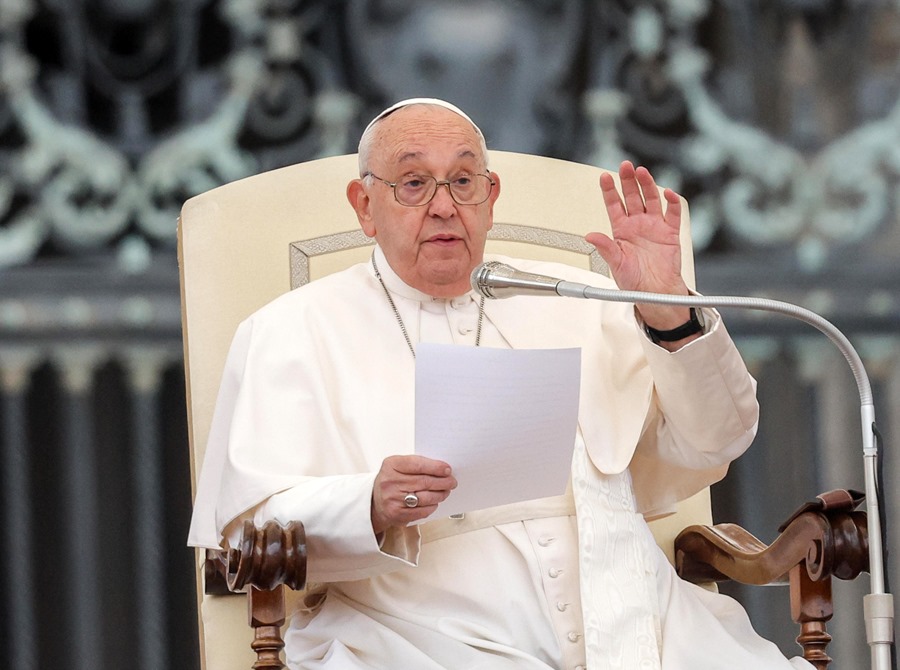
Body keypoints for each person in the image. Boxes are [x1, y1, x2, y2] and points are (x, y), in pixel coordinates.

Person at [188, 98, 812, 670]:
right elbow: (248, 531)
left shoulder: (581, 297)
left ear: (490, 197)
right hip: (418, 639)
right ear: (363, 206)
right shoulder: (290, 330)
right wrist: (367, 503)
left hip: (640, 624)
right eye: (413, 182)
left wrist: (669, 310)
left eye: (463, 181)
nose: (443, 205)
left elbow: (717, 438)